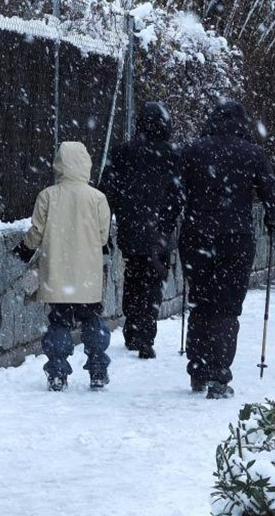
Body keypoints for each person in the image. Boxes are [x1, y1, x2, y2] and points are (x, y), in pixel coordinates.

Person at [179, 100, 275, 399]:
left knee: (200, 302)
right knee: (226, 306)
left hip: (197, 237)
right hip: (236, 238)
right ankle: (219, 374)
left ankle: (198, 369)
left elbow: (175, 192)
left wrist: (167, 224)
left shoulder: (193, 151)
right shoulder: (253, 154)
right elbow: (272, 192)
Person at [12, 142, 113, 391]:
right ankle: (98, 368)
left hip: (57, 273)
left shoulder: (48, 195)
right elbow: (103, 236)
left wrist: (24, 248)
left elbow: (37, 231)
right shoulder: (97, 197)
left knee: (58, 323)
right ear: (86, 164)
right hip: (87, 273)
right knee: (92, 320)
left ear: (59, 164)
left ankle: (57, 372)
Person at [99, 102, 183, 359]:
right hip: (159, 232)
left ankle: (133, 330)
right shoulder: (173, 155)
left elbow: (107, 193)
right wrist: (167, 224)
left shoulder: (123, 152)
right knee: (154, 282)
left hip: (131, 229)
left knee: (133, 279)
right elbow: (178, 195)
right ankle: (146, 335)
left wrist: (108, 225)